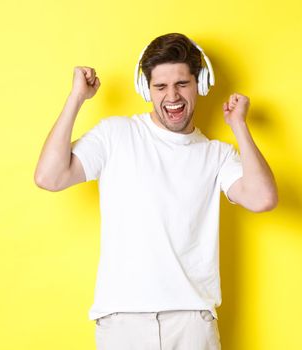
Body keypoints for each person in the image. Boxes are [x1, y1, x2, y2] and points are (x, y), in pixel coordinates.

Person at [34, 33, 278, 350]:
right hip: (122, 323)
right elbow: (49, 177)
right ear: (145, 89)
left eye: (182, 84)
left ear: (201, 84)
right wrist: (76, 98)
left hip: (191, 324)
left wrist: (239, 126)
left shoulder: (217, 155)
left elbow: (263, 198)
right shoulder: (115, 135)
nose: (172, 96)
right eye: (160, 86)